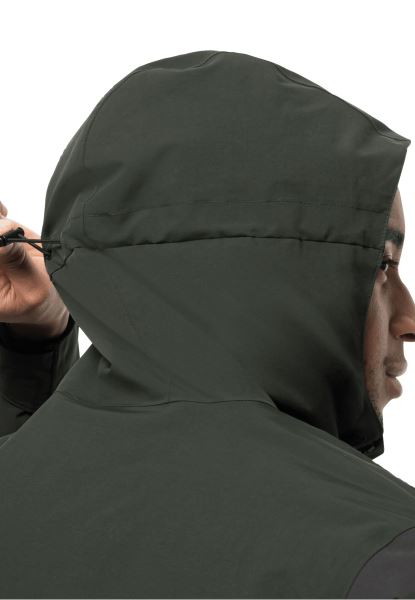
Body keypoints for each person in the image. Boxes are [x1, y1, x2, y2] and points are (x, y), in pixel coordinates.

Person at [0, 49, 415, 598]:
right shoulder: (388, 557)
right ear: (271, 275)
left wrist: (33, 349)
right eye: (380, 264)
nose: (409, 318)